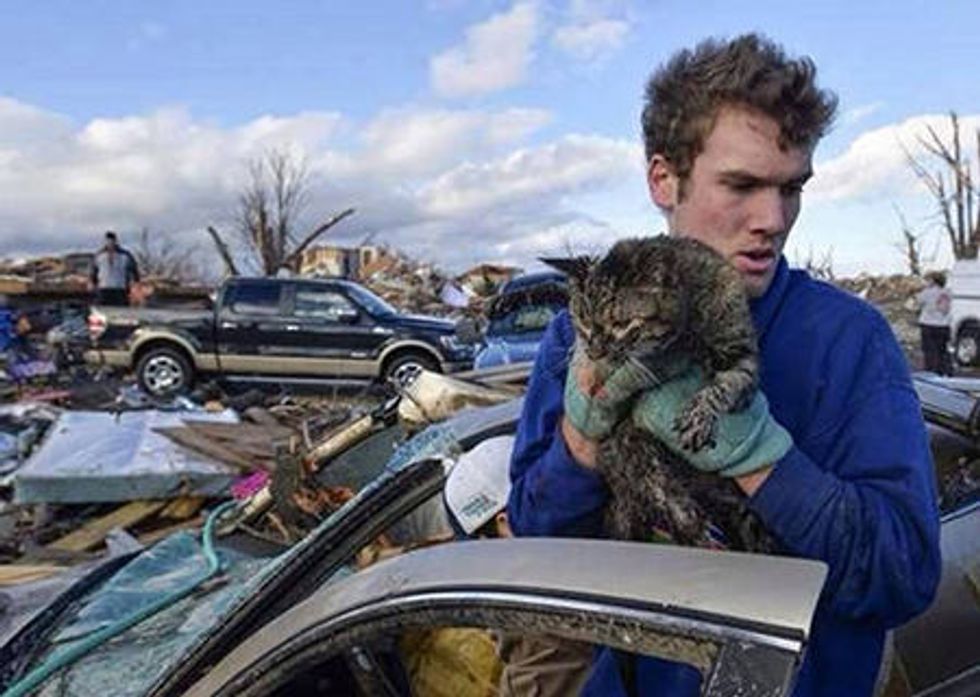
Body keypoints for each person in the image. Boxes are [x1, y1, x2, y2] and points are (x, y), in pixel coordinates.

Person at [507, 33, 941, 697]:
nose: (772, 218)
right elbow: (535, 545)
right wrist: (582, 443)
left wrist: (759, 457)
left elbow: (902, 575)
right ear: (663, 179)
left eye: (791, 187)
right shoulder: (581, 335)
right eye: (741, 184)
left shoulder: (850, 341)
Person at [916, 271, 953, 375]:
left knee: (930, 352)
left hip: (929, 324)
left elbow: (917, 302)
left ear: (933, 281)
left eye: (928, 280)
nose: (926, 282)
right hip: (944, 325)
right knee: (942, 351)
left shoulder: (927, 293)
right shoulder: (948, 292)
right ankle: (945, 372)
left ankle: (931, 372)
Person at [90, 231, 140, 306]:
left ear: (115, 241)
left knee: (121, 310)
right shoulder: (99, 255)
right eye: (108, 241)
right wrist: (93, 283)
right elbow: (94, 271)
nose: (110, 243)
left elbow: (134, 269)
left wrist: (136, 283)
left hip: (120, 288)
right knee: (103, 309)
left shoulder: (125, 255)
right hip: (104, 288)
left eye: (112, 241)